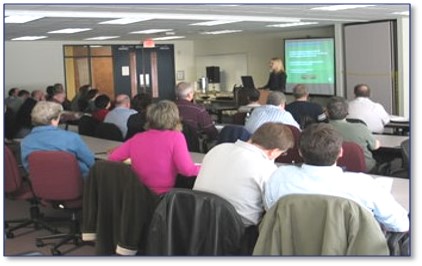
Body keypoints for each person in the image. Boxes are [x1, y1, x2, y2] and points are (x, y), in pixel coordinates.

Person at [264, 123, 409, 233]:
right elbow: (401, 225)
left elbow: (271, 214)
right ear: (341, 152)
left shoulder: (278, 177)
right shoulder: (363, 185)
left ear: (300, 152)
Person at [193, 122, 294, 227]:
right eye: (282, 153)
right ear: (274, 151)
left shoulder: (217, 149)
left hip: (196, 223)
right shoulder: (267, 169)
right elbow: (274, 209)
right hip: (237, 233)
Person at [108, 100, 200, 195]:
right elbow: (186, 170)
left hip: (138, 194)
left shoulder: (137, 137)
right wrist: (204, 168)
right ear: (174, 118)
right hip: (163, 196)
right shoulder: (176, 137)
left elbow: (112, 158)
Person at [20, 101, 95, 179]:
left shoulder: (25, 141)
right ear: (54, 120)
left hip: (42, 185)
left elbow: (28, 167)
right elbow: (91, 162)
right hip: (77, 183)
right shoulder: (71, 138)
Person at [327, 96, 380, 172]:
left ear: (327, 112)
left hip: (332, 170)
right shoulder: (361, 128)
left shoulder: (318, 130)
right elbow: (375, 147)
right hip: (365, 170)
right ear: (347, 112)